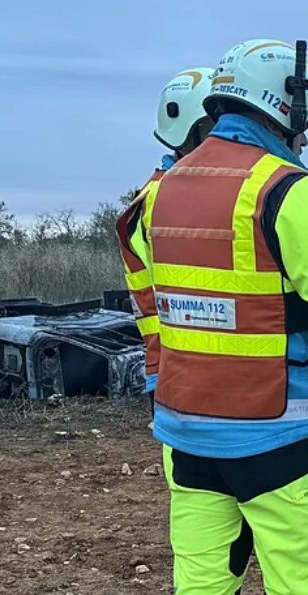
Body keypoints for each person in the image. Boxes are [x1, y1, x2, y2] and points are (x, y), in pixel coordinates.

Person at [148, 39, 308, 595]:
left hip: (187, 439)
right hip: (281, 439)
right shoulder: (286, 189)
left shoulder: (159, 192)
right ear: (283, 105)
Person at [115, 67, 216, 399]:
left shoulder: (159, 194)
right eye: (218, 125)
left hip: (177, 361)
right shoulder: (169, 199)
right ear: (193, 130)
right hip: (187, 362)